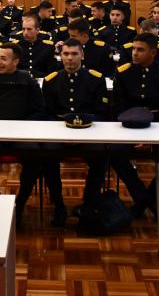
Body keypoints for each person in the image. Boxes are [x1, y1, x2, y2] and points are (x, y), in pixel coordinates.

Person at [109, 33, 159, 220]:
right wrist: (135, 134)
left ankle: (145, 199)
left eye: (140, 50)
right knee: (113, 152)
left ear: (153, 52)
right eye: (133, 49)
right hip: (129, 125)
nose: (134, 53)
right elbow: (117, 107)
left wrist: (154, 137)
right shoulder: (123, 72)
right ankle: (147, 200)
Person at [0, 43, 48, 221]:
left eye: (4, 58)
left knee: (35, 156)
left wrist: (22, 128)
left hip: (21, 133)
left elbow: (39, 111)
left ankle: (20, 203)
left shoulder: (27, 79)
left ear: (16, 62)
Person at [42, 38, 110, 225]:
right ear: (60, 56)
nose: (70, 58)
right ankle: (59, 206)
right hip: (59, 134)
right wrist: (65, 134)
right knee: (47, 157)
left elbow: (102, 114)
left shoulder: (96, 79)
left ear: (82, 55)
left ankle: (89, 203)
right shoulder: (51, 81)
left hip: (89, 133)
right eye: (65, 54)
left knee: (101, 156)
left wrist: (81, 133)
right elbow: (47, 115)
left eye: (74, 54)